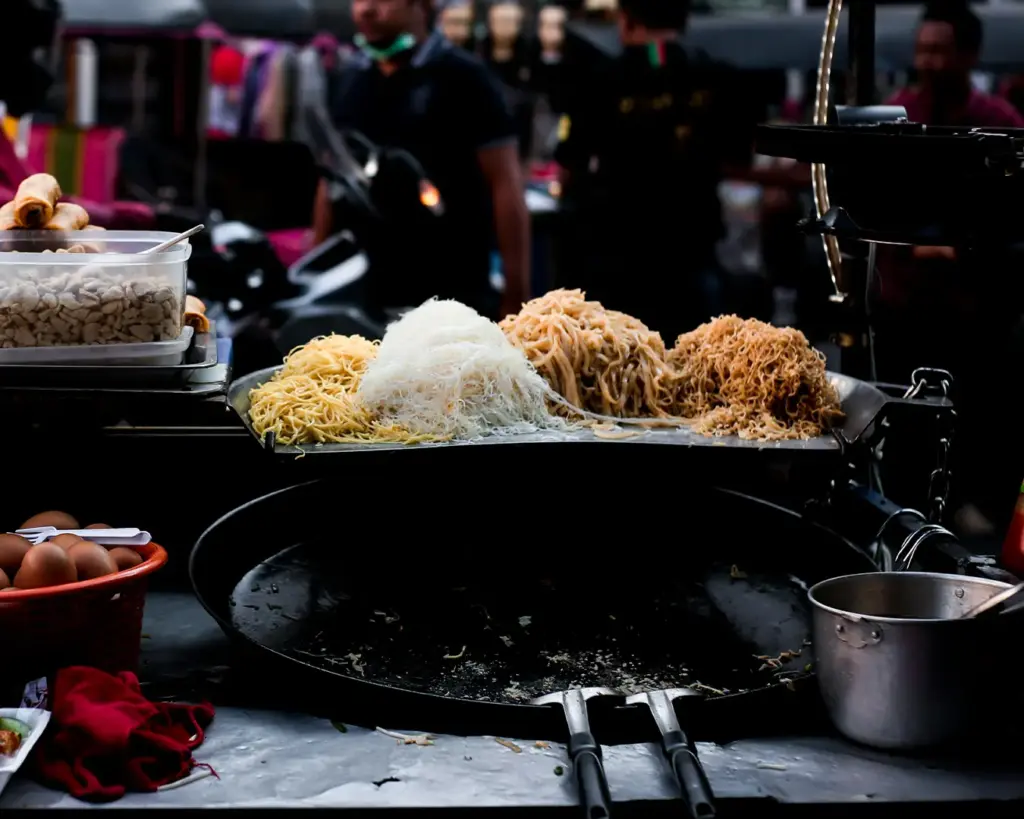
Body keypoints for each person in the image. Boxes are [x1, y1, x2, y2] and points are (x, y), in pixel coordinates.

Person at [874, 0, 1024, 536]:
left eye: (939, 51)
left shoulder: (1000, 125)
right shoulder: (898, 115)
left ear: (968, 55)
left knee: (974, 420)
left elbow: (1012, 223)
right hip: (904, 305)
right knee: (903, 419)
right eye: (922, 50)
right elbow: (878, 207)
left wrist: (958, 253)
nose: (928, 62)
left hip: (974, 313)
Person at [553, 0, 759, 342]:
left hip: (620, 254)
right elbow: (741, 156)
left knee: (624, 368)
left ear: (626, 20)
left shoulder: (599, 81)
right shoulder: (719, 78)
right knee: (693, 364)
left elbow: (569, 162)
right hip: (692, 246)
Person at [313, 0, 530, 321]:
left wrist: (517, 300)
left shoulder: (466, 78)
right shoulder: (351, 79)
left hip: (451, 299)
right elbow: (332, 178)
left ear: (425, 5)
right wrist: (315, 266)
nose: (366, 9)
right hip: (364, 296)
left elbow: (505, 184)